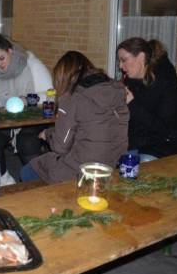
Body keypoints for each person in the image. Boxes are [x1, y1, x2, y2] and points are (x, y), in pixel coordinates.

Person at [22, 51, 129, 183]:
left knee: (27, 171)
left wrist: (47, 134)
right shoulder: (116, 89)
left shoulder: (72, 97)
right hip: (114, 164)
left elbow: (60, 146)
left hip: (84, 170)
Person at [0, 33, 52, 185]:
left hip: (33, 116)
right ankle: (4, 180)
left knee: (27, 143)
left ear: (11, 51)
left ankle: (40, 182)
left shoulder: (32, 65)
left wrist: (27, 100)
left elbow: (49, 95)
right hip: (7, 118)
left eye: (2, 58)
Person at [117, 37, 177, 160]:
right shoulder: (130, 80)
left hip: (164, 148)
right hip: (137, 144)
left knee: (136, 166)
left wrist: (132, 104)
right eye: (119, 61)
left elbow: (165, 130)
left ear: (141, 57)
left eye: (124, 60)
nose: (120, 66)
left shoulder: (167, 84)